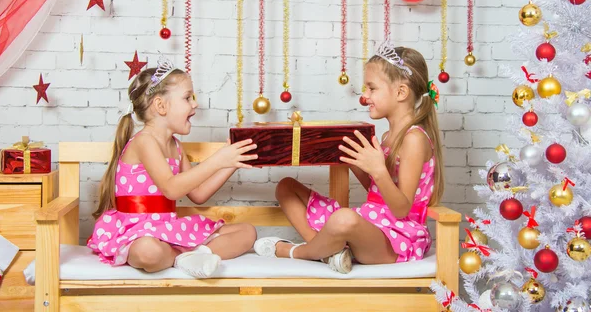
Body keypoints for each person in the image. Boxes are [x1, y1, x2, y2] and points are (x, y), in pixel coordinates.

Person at [254, 42, 444, 273]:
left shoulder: (414, 139)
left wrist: (377, 169)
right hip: (373, 222)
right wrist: (356, 164)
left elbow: (401, 209)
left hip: (397, 238)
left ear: (401, 92)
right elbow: (378, 193)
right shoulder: (387, 136)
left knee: (344, 219)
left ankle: (298, 252)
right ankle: (330, 252)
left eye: (372, 89)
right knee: (286, 187)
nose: (364, 96)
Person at [89, 57, 258, 278]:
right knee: (148, 252)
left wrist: (231, 162)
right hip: (137, 232)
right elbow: (171, 189)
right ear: (160, 105)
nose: (195, 104)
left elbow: (198, 194)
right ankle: (186, 257)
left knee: (247, 232)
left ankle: (186, 257)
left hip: (166, 229)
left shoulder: (176, 146)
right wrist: (216, 160)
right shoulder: (144, 141)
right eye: (188, 97)